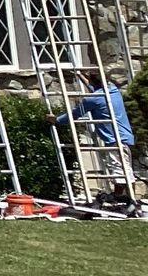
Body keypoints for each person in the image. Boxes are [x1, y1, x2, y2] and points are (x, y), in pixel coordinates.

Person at [54, 70, 135, 205]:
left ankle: (129, 200)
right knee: (121, 167)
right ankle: (121, 198)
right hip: (123, 136)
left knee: (120, 169)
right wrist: (81, 76)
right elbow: (94, 88)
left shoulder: (93, 99)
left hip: (115, 139)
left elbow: (76, 113)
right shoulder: (113, 90)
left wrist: (57, 120)